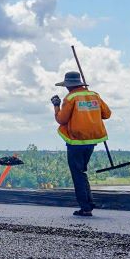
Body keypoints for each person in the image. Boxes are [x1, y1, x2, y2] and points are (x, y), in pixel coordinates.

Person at [51, 70, 112, 217]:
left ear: (68, 86)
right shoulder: (94, 95)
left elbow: (62, 119)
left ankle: (85, 207)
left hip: (76, 141)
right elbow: (107, 114)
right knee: (81, 171)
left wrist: (56, 106)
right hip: (92, 141)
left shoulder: (71, 98)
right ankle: (88, 203)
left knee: (77, 173)